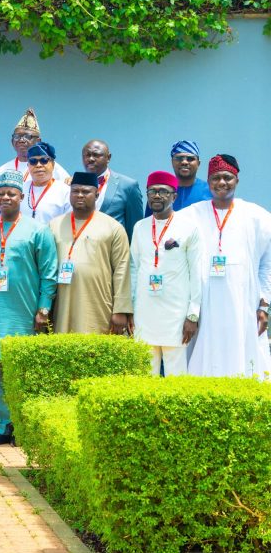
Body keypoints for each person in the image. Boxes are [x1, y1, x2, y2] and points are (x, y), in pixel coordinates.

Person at [0, 170, 57, 445]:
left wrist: (44, 308)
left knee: (21, 369)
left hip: (24, 312)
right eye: (2, 193)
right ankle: (1, 425)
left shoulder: (38, 230)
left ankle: (22, 425)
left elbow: (49, 273)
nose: (6, 197)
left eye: (11, 193)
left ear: (21, 196)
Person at [180, 155, 271, 378]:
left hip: (243, 301)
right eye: (216, 178)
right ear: (208, 182)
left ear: (237, 180)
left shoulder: (258, 216)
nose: (222, 182)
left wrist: (264, 304)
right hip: (204, 303)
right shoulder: (190, 215)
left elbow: (267, 264)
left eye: (227, 178)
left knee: (244, 356)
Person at [128, 171, 202, 376]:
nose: (157, 196)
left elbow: (196, 273)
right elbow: (134, 268)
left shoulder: (188, 227)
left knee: (176, 375)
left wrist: (193, 314)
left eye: (163, 191)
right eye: (152, 191)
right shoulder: (140, 227)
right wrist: (130, 309)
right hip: (144, 311)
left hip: (176, 313)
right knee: (145, 374)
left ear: (174, 196)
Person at [49, 172, 132, 335]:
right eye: (75, 191)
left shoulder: (113, 227)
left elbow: (122, 270)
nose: (80, 195)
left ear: (97, 195)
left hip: (98, 302)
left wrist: (121, 309)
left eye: (86, 192)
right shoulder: (54, 225)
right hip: (62, 303)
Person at [81, 139, 144, 241]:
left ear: (108, 157)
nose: (91, 159)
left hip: (114, 249)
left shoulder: (128, 186)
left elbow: (135, 229)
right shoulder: (75, 186)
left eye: (96, 155)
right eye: (87, 155)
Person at [0, 108, 71, 184]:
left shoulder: (50, 168)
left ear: (38, 141)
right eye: (17, 136)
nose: (21, 140)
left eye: (27, 136)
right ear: (12, 141)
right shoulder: (2, 171)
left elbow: (68, 185)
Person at [21, 142, 71, 224]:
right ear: (28, 166)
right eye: (33, 161)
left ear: (53, 165)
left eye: (44, 160)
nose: (38, 165)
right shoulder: (20, 190)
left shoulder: (66, 192)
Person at [167, 140, 211, 211]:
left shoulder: (211, 191)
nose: (184, 162)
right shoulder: (161, 192)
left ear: (198, 163)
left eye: (190, 159)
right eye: (179, 158)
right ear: (172, 162)